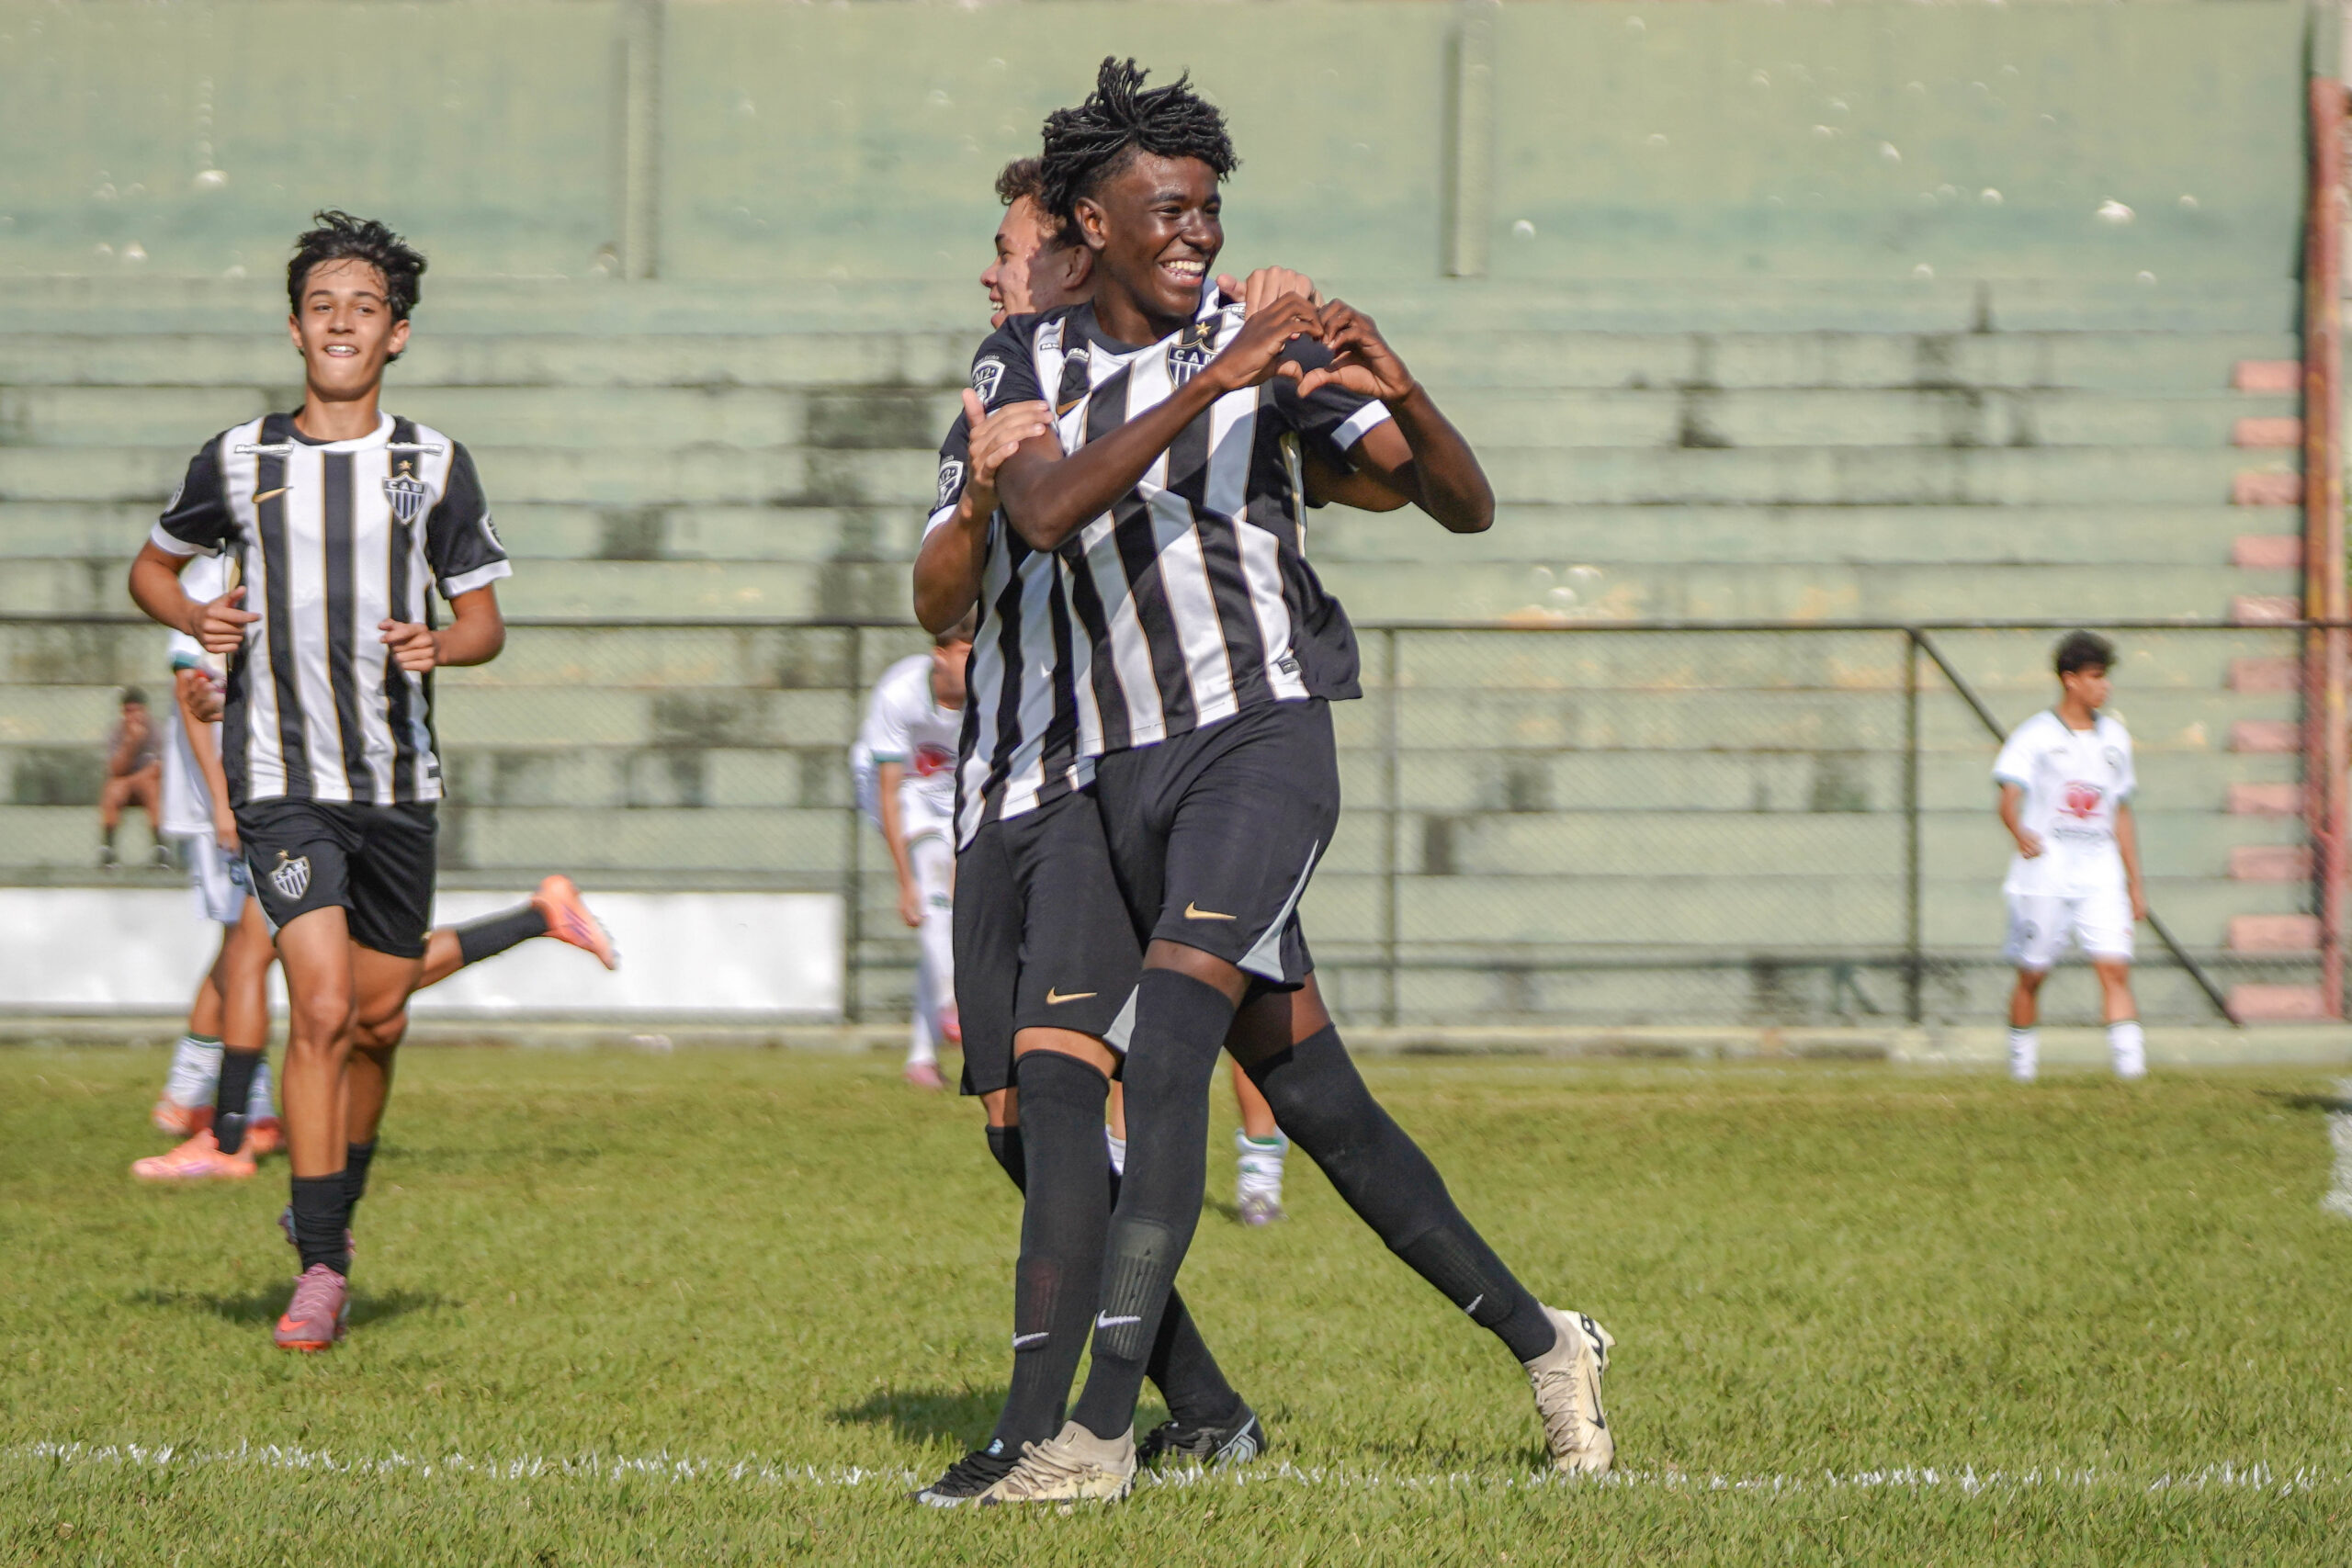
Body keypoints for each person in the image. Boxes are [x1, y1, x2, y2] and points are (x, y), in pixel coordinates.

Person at [967, 61, 1614, 1503]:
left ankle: (1103, 1433)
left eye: (1208, 206)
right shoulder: (1028, 363)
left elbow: (1458, 500)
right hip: (1109, 776)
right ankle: (1547, 1338)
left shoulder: (1278, 343)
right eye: (1165, 210)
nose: (1196, 231)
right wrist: (1223, 369)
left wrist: (1395, 375)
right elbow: (1045, 508)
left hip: (1262, 739)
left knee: (1181, 1050)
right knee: (1320, 1100)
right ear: (1093, 220)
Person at [125, 209, 609, 1351]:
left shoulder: (430, 464)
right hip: (280, 777)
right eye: (324, 305)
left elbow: (485, 618)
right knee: (325, 1009)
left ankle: (330, 1208)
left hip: (397, 781)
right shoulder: (236, 460)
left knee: (380, 1019)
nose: (343, 322)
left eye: (367, 307)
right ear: (294, 326)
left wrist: (445, 644)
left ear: (397, 334)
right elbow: (152, 570)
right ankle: (322, 1264)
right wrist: (196, 614)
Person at [903, 156, 1270, 1506]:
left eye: (1007, 249)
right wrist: (988, 495)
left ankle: (1030, 1429)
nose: (991, 274)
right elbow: (937, 597)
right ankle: (1212, 1404)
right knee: (1015, 1121)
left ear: (1072, 256)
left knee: (1065, 1097)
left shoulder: (1159, 368)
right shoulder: (1000, 392)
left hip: (1093, 783)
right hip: (989, 795)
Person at [1995, 631, 2148, 1083]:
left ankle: (2132, 1076)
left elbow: (2120, 812)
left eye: (2105, 677)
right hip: (2046, 871)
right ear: (2071, 680)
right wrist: (2016, 828)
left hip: (2101, 869)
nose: (2105, 687)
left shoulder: (2115, 736)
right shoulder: (2036, 735)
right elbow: (2009, 796)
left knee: (2114, 968)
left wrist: (2135, 884)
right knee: (2033, 974)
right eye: (2096, 677)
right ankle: (2021, 1072)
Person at [853, 618, 975, 1089]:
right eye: (965, 653)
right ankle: (952, 1005)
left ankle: (922, 1057)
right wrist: (905, 883)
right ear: (939, 655)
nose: (974, 663)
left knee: (945, 916)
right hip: (897, 786)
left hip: (948, 793)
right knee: (930, 894)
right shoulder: (900, 693)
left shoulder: (990, 694)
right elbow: (888, 792)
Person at [99, 688, 167, 869]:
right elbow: (115, 769)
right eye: (128, 711)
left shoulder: (157, 731)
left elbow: (160, 768)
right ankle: (108, 849)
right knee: (113, 789)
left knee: (150, 787)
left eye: (136, 711)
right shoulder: (117, 733)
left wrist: (136, 778)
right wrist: (131, 743)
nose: (133, 716)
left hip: (150, 782)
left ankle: (161, 849)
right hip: (126, 783)